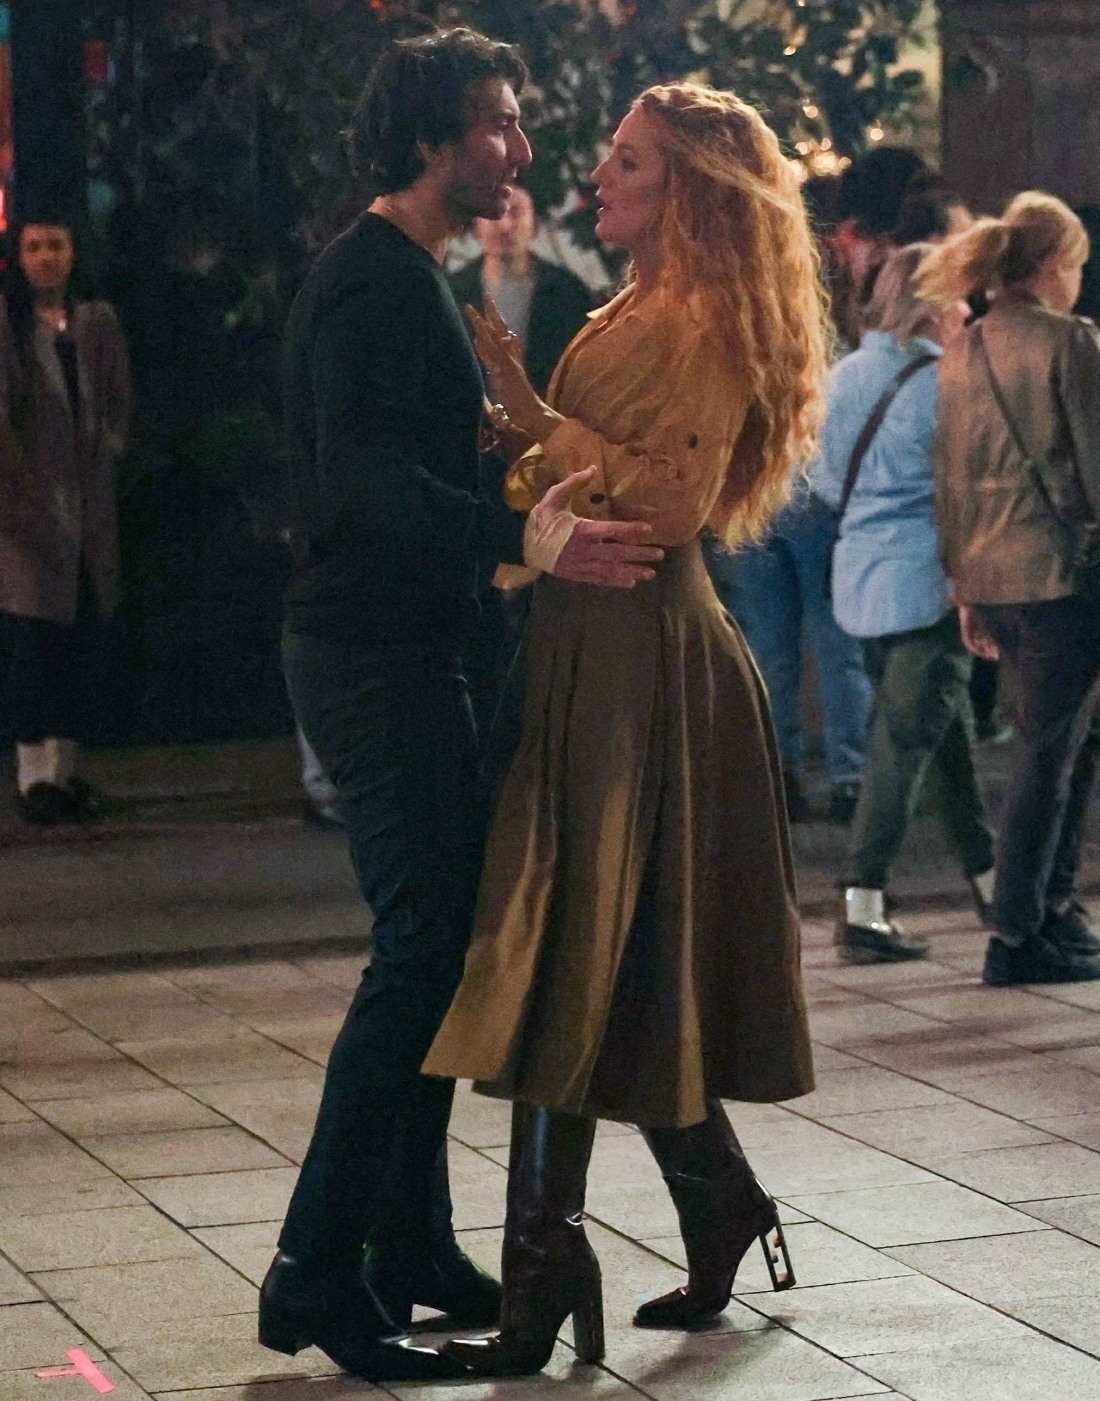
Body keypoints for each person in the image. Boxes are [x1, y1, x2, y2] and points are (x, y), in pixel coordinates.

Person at [257, 28, 662, 1383]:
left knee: (437, 955)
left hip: (404, 646)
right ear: (433, 137)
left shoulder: (403, 275)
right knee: (422, 955)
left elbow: (398, 462)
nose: (520, 148)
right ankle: (318, 1271)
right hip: (372, 655)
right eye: (496, 120)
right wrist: (526, 537)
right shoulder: (375, 282)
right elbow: (365, 483)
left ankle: (412, 1250)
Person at [422, 81, 826, 1376]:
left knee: (572, 944)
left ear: (689, 191)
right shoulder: (629, 305)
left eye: (627, 163)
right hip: (590, 646)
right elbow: (572, 473)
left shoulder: (697, 321)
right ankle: (718, 1204)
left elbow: (668, 504)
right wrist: (519, 420)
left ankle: (543, 1259)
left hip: (646, 657)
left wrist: (530, 410)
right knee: (616, 953)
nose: (596, 178)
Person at [923, 191, 1100, 987]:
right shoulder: (1071, 341)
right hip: (1061, 576)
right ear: (1055, 265)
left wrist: (962, 586)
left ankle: (1053, 912)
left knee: (1063, 744)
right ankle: (1018, 932)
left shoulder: (963, 347)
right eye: (1078, 266)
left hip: (992, 576)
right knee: (1049, 756)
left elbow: (949, 476)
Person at [815, 245, 996, 964]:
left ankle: (993, 879)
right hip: (930, 586)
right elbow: (968, 491)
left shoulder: (843, 377)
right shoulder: (949, 382)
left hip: (861, 582)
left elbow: (822, 481)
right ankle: (863, 902)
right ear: (930, 306)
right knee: (901, 748)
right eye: (957, 298)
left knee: (939, 737)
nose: (967, 311)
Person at [0, 214, 131, 824]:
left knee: (80, 639)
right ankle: (34, 779)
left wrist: (109, 450)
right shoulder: (9, 325)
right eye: (34, 247)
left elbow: (117, 402)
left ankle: (65, 770)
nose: (46, 258)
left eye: (56, 245)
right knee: (34, 642)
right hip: (27, 508)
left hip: (88, 505)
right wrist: (22, 498)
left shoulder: (94, 321)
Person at [449, 184, 593, 396]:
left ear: (534, 223)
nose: (505, 225)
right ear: (477, 225)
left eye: (516, 212)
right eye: (494, 214)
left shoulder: (566, 290)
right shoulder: (453, 291)